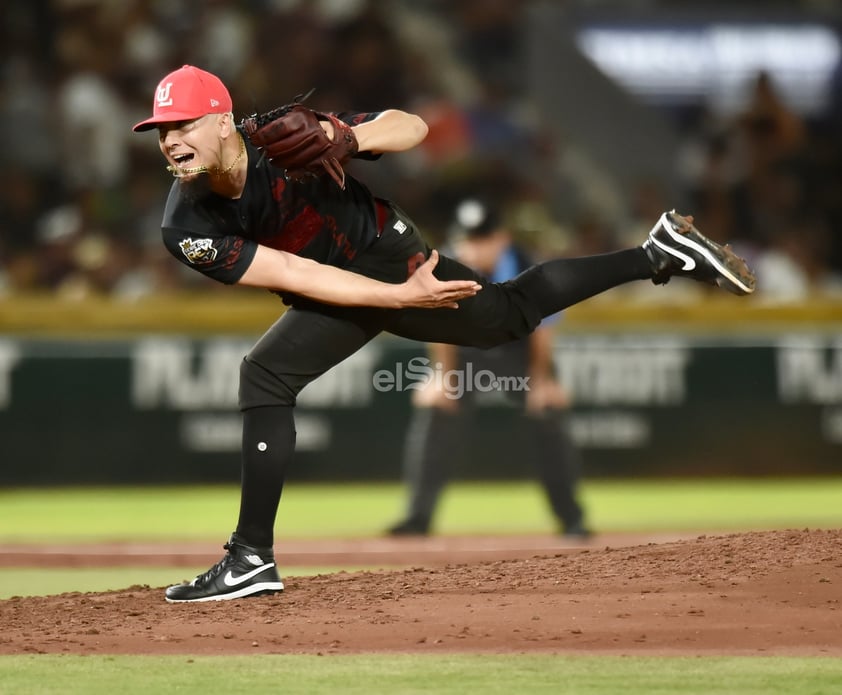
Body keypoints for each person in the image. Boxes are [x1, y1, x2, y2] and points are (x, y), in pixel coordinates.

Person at [132, 65, 755, 603]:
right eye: (162, 130)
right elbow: (297, 271)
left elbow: (414, 126)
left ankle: (656, 254)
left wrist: (347, 135)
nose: (171, 141)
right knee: (267, 374)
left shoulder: (278, 139)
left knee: (508, 316)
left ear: (223, 121)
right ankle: (251, 558)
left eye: (183, 125)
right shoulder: (184, 224)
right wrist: (399, 301)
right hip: (345, 283)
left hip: (388, 254)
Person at [388, 198, 590, 538]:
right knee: (437, 412)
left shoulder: (529, 268)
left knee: (549, 416)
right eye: (467, 239)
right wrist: (443, 377)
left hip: (519, 352)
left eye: (481, 239)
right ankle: (417, 518)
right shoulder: (443, 266)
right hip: (466, 350)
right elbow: (439, 327)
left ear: (502, 239)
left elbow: (543, 331)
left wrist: (541, 382)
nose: (473, 248)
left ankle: (572, 519)